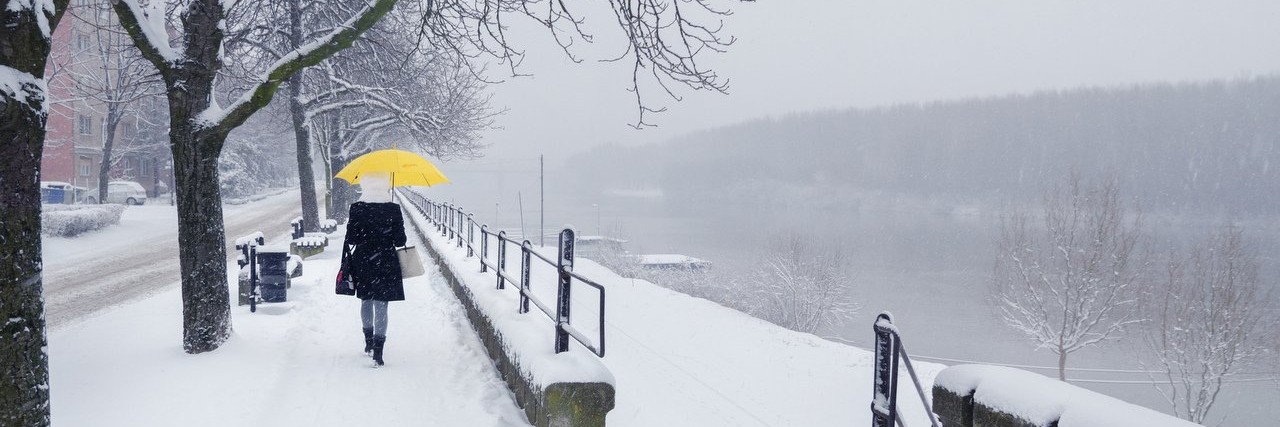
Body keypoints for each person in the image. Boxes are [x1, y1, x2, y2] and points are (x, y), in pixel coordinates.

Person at [338, 172, 406, 367]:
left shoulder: (357, 208)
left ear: (365, 185)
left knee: (366, 299)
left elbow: (352, 238)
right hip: (386, 260)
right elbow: (400, 241)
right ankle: (378, 351)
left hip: (364, 260)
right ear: (385, 186)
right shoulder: (393, 209)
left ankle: (368, 343)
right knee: (382, 303)